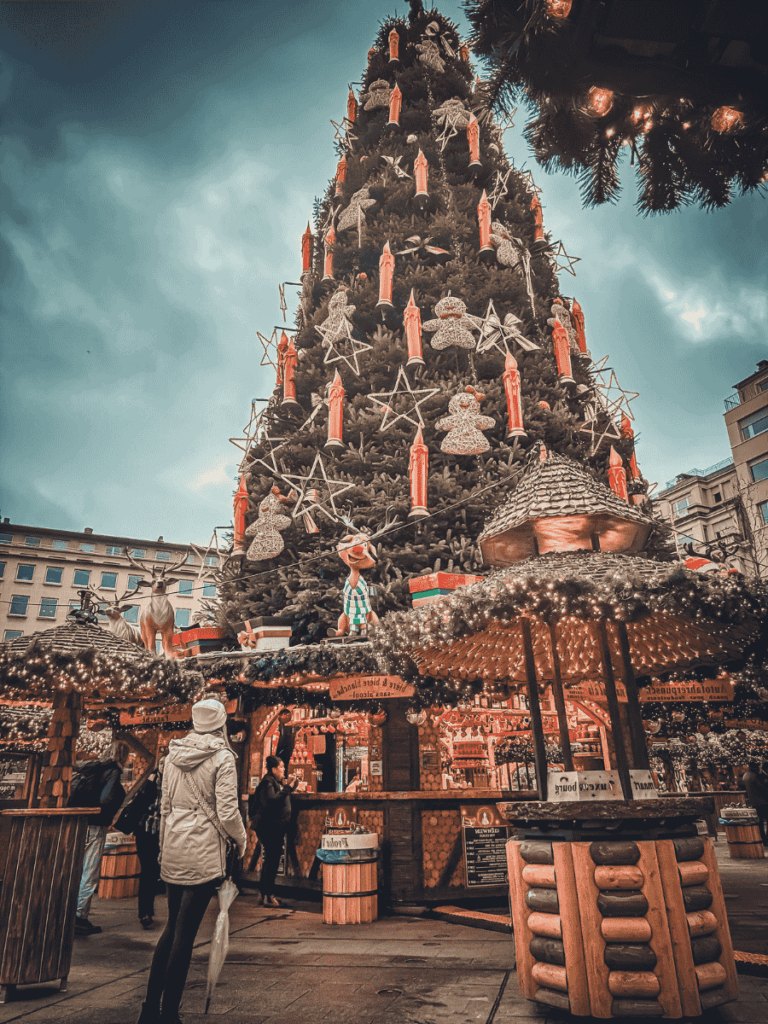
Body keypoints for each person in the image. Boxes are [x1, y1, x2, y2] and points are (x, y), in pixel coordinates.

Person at [136, 698, 247, 1024]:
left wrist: (162, 848)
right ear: (221, 724)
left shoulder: (172, 756)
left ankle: (148, 1010)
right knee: (184, 934)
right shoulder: (223, 758)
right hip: (202, 852)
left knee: (172, 928)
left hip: (174, 847)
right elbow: (227, 811)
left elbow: (166, 808)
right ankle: (169, 1013)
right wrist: (241, 839)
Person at [73, 740, 130, 936]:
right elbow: (106, 798)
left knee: (74, 867)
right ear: (123, 756)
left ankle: (66, 910)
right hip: (96, 825)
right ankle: (80, 916)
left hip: (77, 822)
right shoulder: (113, 770)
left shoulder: (92, 767)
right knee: (89, 870)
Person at [249, 755, 298, 907]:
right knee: (271, 862)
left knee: (271, 861)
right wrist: (288, 788)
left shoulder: (274, 782)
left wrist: (291, 787)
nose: (284, 770)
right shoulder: (267, 783)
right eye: (281, 767)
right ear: (274, 769)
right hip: (270, 828)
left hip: (274, 828)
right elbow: (271, 801)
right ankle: (267, 895)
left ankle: (265, 894)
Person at [741, 760, 768, 845]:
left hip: (753, 802)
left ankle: (763, 839)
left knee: (759, 823)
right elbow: (762, 789)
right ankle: (766, 839)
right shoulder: (754, 776)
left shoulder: (745, 776)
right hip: (762, 802)